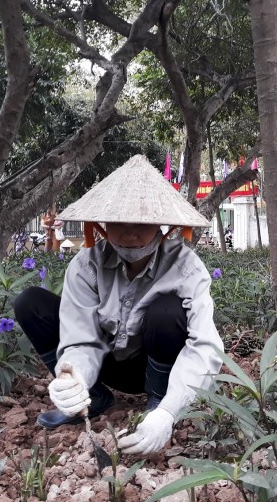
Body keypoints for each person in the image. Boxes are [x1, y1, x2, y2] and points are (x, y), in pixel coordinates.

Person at [14, 154, 224, 455]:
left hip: (157, 364)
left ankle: (157, 401)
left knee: (167, 310)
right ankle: (92, 398)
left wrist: (169, 412)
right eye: (118, 223)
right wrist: (73, 377)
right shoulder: (86, 266)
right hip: (107, 363)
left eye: (142, 223)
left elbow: (205, 345)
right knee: (30, 302)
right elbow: (81, 338)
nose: (130, 234)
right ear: (101, 225)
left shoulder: (186, 267)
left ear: (162, 226)